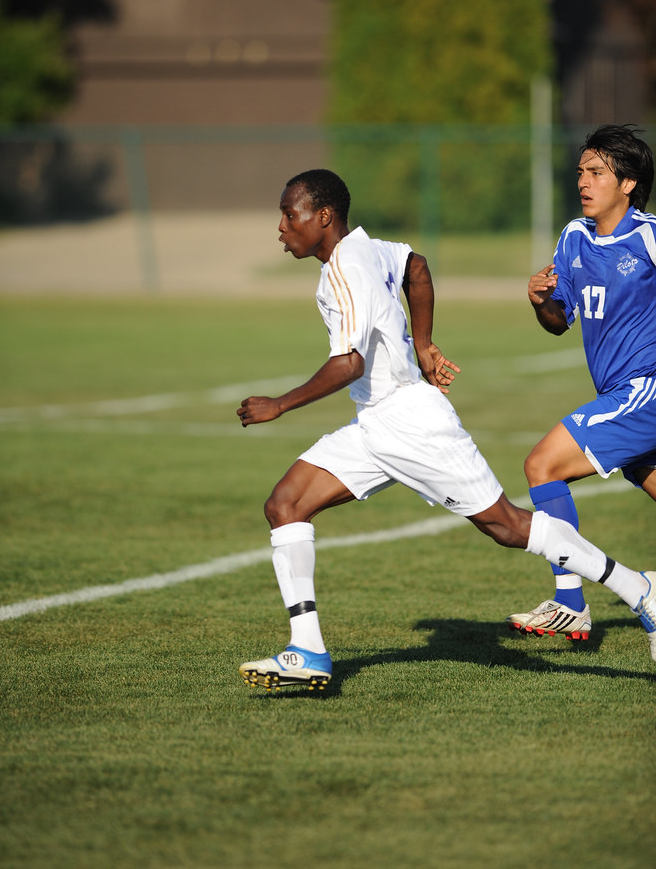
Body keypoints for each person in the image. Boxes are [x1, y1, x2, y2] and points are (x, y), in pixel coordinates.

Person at [236, 168, 655, 691]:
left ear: (323, 218)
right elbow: (417, 267)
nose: (280, 227)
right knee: (286, 504)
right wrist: (424, 342)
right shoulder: (366, 247)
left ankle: (639, 591)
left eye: (287, 214)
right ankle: (309, 650)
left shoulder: (343, 267)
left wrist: (280, 404)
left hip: (411, 424)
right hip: (374, 425)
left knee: (506, 526)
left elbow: (349, 364)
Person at [507, 124, 656, 640]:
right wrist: (540, 301)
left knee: (542, 465)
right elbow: (559, 321)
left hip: (645, 391)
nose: (584, 182)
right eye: (581, 172)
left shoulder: (650, 237)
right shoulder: (573, 236)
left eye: (597, 173)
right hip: (618, 394)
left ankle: (570, 599)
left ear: (629, 183)